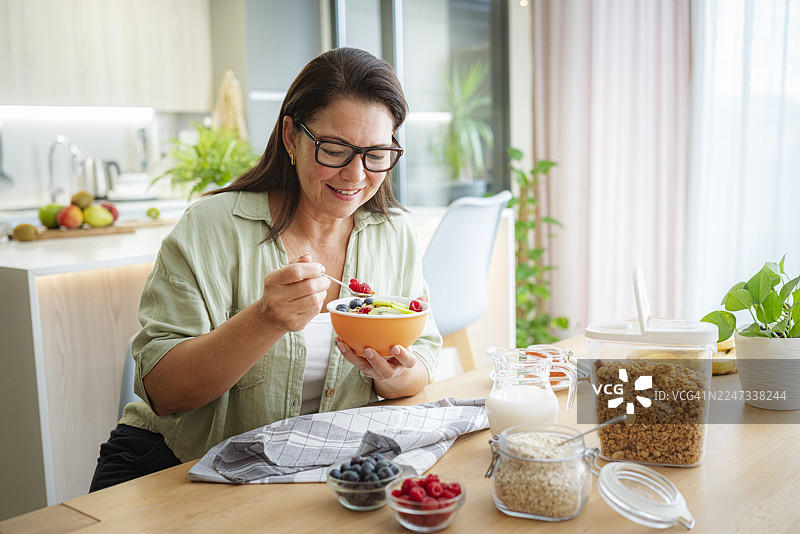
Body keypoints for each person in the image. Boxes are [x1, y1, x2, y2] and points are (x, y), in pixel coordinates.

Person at [90, 47, 442, 492]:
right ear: (292, 137)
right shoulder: (212, 225)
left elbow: (423, 359)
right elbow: (164, 393)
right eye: (335, 149)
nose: (356, 175)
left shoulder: (394, 233)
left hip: (312, 471)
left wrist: (392, 375)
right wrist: (264, 320)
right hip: (176, 465)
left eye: (376, 154)